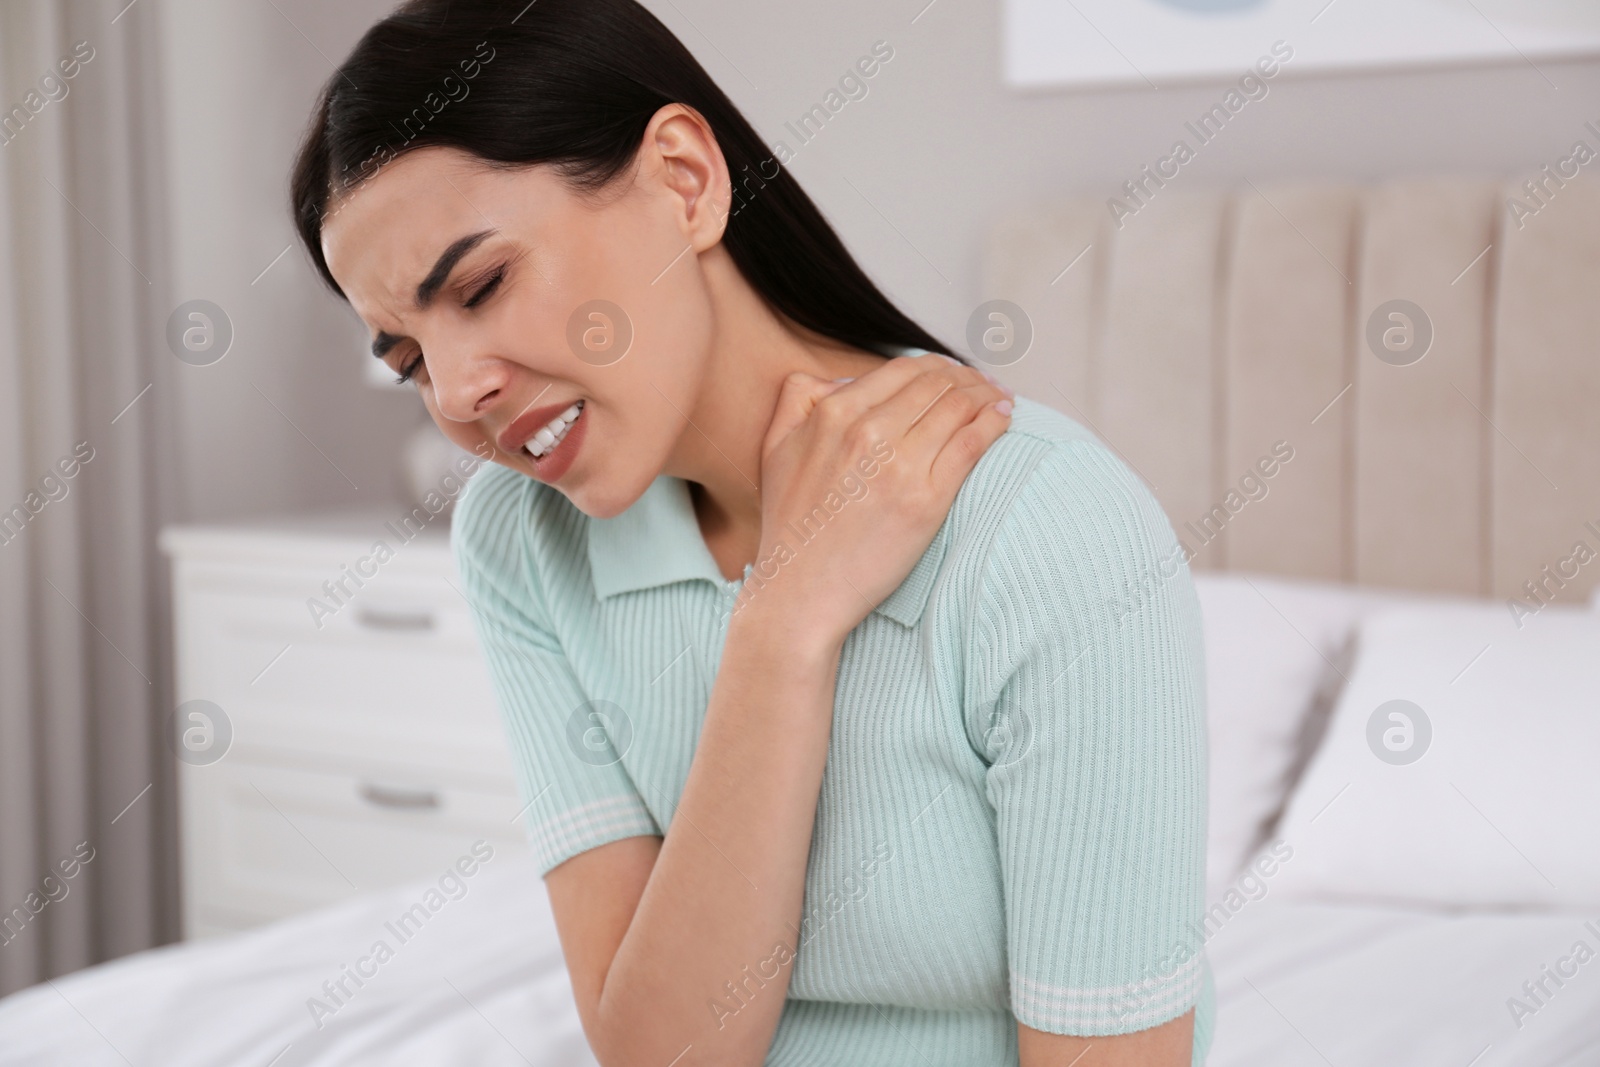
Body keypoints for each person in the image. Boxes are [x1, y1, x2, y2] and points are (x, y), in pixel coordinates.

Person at [289, 1, 1211, 1063]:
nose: (457, 394)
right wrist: (782, 625)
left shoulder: (1047, 528)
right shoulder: (520, 539)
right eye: (407, 359)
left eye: (484, 285)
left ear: (684, 180)